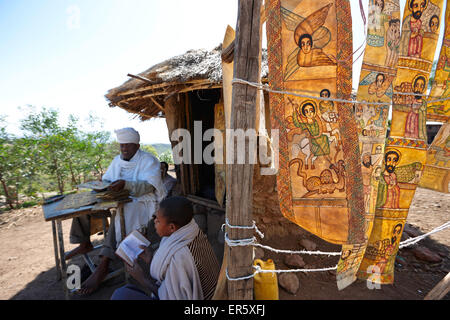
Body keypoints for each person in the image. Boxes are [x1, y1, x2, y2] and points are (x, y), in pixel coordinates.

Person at [72, 127, 166, 295]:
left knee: (124, 212)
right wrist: (101, 184)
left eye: (127, 146)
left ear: (137, 146)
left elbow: (149, 187)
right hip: (116, 199)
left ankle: (104, 264)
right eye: (121, 145)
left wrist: (126, 185)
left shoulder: (149, 160)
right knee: (85, 204)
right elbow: (108, 179)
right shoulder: (117, 160)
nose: (123, 149)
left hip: (142, 202)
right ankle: (83, 241)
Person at [111, 196, 220, 300]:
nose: (154, 222)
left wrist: (142, 278)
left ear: (172, 227)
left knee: (120, 295)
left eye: (158, 220)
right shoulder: (191, 231)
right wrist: (151, 260)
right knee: (127, 290)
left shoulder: (178, 257)